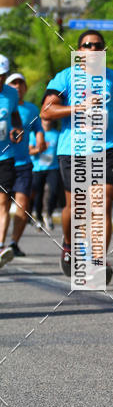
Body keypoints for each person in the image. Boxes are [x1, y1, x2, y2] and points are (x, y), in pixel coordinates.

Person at [41, 29, 113, 284]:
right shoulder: (66, 76)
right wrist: (78, 107)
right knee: (77, 207)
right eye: (87, 45)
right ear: (79, 51)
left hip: (107, 146)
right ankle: (69, 244)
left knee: (102, 204)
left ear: (103, 51)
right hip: (73, 149)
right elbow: (47, 112)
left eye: (98, 46)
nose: (93, 49)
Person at [5, 72, 45, 257]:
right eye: (14, 83)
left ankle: (13, 243)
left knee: (22, 203)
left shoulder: (31, 109)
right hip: (4, 161)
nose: (18, 87)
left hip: (23, 163)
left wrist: (40, 139)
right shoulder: (3, 104)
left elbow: (38, 128)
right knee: (2, 204)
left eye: (21, 83)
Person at [0, 55, 23, 267]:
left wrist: (17, 128)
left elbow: (15, 116)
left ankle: (0, 247)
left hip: (5, 156)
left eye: (1, 76)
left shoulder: (11, 94)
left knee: (3, 203)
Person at [30, 118, 63, 231]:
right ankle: (38, 217)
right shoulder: (35, 134)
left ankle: (48, 215)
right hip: (37, 168)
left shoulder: (57, 134)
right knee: (38, 194)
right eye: (44, 119)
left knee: (54, 191)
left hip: (53, 168)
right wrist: (39, 149)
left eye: (49, 119)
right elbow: (30, 150)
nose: (47, 121)